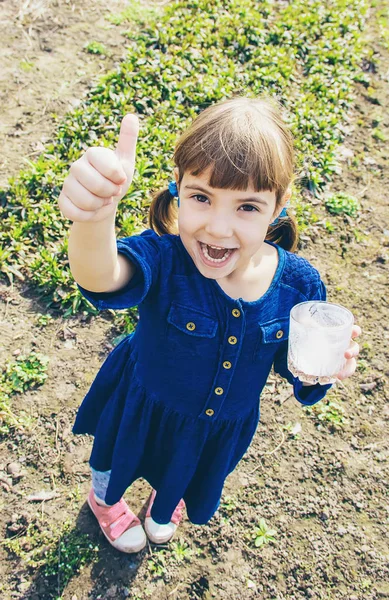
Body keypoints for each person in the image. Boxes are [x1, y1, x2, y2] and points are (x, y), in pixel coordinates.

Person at [58, 96, 361, 554]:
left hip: (214, 429)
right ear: (178, 187)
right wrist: (95, 217)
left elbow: (295, 365)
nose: (218, 229)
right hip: (143, 404)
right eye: (201, 198)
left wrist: (323, 369)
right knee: (114, 462)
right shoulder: (165, 258)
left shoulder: (299, 285)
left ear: (279, 206)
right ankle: (105, 501)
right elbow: (101, 276)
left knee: (182, 472)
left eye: (247, 207)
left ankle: (165, 503)